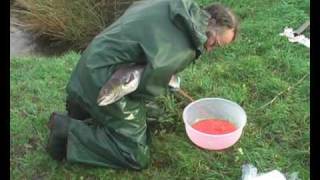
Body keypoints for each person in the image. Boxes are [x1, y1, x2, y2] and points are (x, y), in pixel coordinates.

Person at [46, 0, 239, 170]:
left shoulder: (173, 5)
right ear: (210, 22)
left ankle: (82, 108)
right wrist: (157, 88)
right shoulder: (184, 48)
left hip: (90, 61)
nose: (210, 49)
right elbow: (147, 87)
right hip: (105, 82)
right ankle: (67, 128)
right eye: (215, 43)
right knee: (134, 154)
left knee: (147, 113)